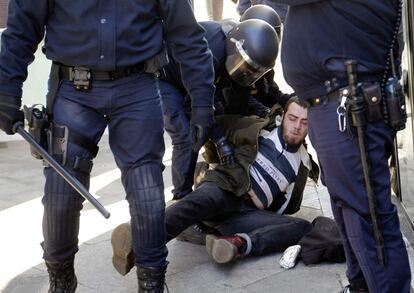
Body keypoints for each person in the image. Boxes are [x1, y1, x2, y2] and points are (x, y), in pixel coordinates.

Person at [0, 0, 215, 292]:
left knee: (147, 193)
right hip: (73, 89)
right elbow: (22, 26)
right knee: (61, 194)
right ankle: (61, 280)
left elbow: (186, 33)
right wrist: (6, 91)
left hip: (137, 88)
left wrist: (202, 100)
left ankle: (152, 283)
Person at [272, 1, 411, 292]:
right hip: (336, 103)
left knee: (368, 221)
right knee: (350, 210)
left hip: (347, 102)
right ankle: (360, 285)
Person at [111, 97, 318, 273]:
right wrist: (217, 164)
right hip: (226, 186)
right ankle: (135, 240)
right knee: (194, 204)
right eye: (292, 118)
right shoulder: (260, 130)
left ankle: (233, 244)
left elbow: (286, 207)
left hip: (247, 213)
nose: (297, 126)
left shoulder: (303, 165)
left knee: (301, 226)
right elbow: (214, 127)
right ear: (283, 117)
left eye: (304, 122)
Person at [162, 13, 291, 200]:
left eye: (255, 72)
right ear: (236, 48)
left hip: (193, 82)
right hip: (166, 78)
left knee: (221, 117)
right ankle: (182, 199)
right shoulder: (210, 56)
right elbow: (196, 110)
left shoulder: (240, 53)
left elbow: (239, 104)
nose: (248, 73)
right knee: (187, 137)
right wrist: (220, 140)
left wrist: (257, 120)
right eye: (248, 68)